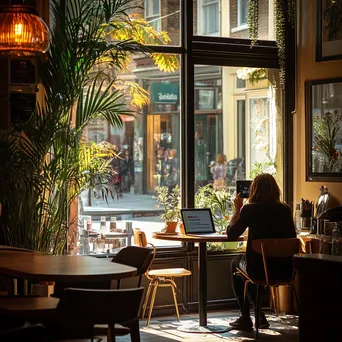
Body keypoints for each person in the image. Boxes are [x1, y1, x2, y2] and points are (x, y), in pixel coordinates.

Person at [227, 173, 296, 331]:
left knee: (236, 265)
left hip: (259, 270)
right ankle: (259, 315)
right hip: (285, 271)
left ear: (254, 190)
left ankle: (246, 317)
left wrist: (237, 210)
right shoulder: (285, 209)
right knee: (253, 267)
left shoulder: (250, 209)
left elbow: (231, 234)